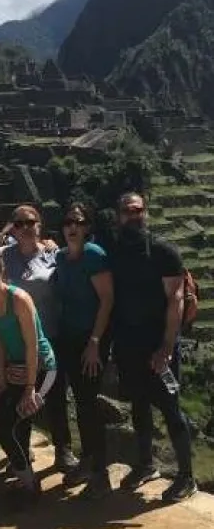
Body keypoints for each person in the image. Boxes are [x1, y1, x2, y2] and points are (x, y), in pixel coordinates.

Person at [110, 193, 197, 502]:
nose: (133, 216)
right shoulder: (117, 250)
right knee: (138, 403)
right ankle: (146, 464)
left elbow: (175, 300)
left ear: (145, 213)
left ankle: (187, 477)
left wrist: (167, 347)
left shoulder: (163, 251)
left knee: (171, 409)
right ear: (118, 215)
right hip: (128, 345)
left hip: (159, 346)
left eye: (138, 210)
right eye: (126, 210)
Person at [0, 205, 78, 473]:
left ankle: (63, 450)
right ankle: (22, 453)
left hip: (50, 336)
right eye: (18, 224)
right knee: (21, 396)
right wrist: (2, 234)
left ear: (39, 225)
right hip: (17, 342)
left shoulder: (53, 254)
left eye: (30, 222)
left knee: (55, 397)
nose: (25, 228)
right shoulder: (3, 256)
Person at [0, 247, 57, 504]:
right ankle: (27, 480)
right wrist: (1, 380)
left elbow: (32, 345)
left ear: (1, 269)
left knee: (11, 419)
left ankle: (28, 484)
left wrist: (30, 388)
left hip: (41, 367)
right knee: (6, 419)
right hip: (14, 367)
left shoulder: (19, 299)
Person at [55, 205, 114, 499]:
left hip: (90, 341)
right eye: (68, 222)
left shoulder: (94, 255)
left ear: (87, 227)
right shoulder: (61, 258)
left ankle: (101, 474)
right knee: (80, 402)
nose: (72, 226)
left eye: (78, 222)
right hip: (68, 338)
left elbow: (107, 299)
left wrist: (95, 342)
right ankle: (88, 461)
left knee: (89, 404)